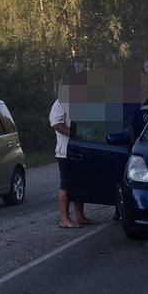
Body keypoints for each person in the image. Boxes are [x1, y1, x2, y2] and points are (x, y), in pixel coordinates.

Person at [49, 95, 93, 228]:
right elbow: (56, 124)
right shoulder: (61, 102)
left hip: (81, 149)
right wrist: (76, 134)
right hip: (66, 151)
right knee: (66, 185)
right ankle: (64, 218)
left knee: (80, 184)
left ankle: (80, 216)